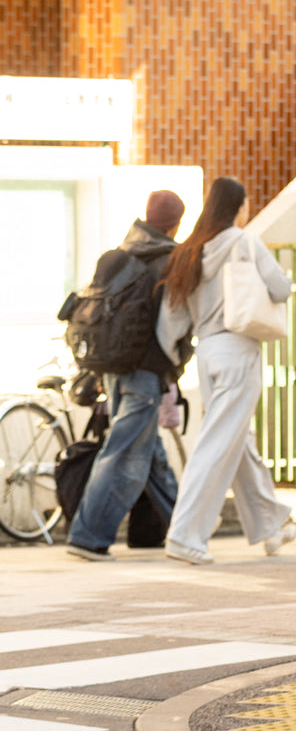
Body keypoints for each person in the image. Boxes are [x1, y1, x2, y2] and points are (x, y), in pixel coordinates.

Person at [156, 176, 296, 565]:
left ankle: (271, 526)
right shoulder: (244, 241)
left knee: (234, 438)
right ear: (238, 206)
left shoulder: (189, 251)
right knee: (218, 443)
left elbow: (172, 318)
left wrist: (168, 358)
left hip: (207, 351)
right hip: (237, 348)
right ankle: (185, 535)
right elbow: (280, 289)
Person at [67, 190, 189, 561]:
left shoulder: (121, 252)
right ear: (176, 223)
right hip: (145, 371)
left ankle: (184, 528)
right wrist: (176, 363)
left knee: (148, 453)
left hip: (113, 369)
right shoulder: (168, 259)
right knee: (122, 455)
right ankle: (87, 537)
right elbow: (171, 324)